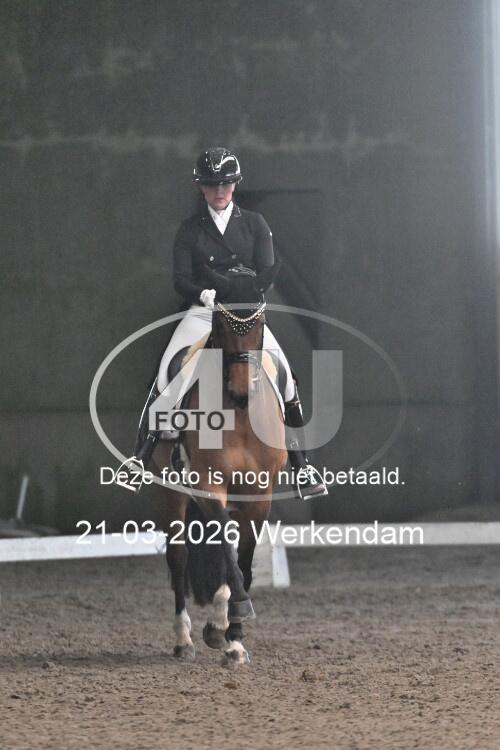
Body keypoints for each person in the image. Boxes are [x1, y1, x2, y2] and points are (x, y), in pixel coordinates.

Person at [121, 147, 327, 500]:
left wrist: (248, 294)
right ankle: (140, 457)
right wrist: (202, 294)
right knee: (170, 372)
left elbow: (266, 272)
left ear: (235, 184)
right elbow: (180, 279)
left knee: (285, 376)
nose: (219, 190)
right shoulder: (190, 230)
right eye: (212, 184)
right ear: (202, 187)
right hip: (204, 310)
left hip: (244, 311)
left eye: (225, 183)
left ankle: (302, 465)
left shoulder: (255, 224)